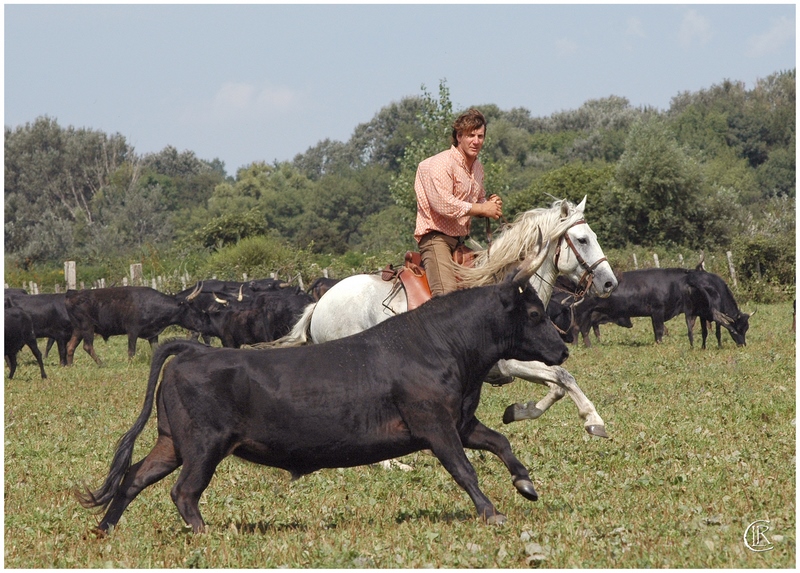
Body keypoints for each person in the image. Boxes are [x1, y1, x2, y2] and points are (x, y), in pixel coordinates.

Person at [413, 108, 503, 296]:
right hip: (436, 239)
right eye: (471, 135)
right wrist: (483, 208)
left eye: (480, 136)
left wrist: (490, 204)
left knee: (488, 283)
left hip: (459, 241)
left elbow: (478, 200)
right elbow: (444, 204)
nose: (476, 141)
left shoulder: (477, 167)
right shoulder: (439, 164)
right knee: (448, 297)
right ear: (459, 136)